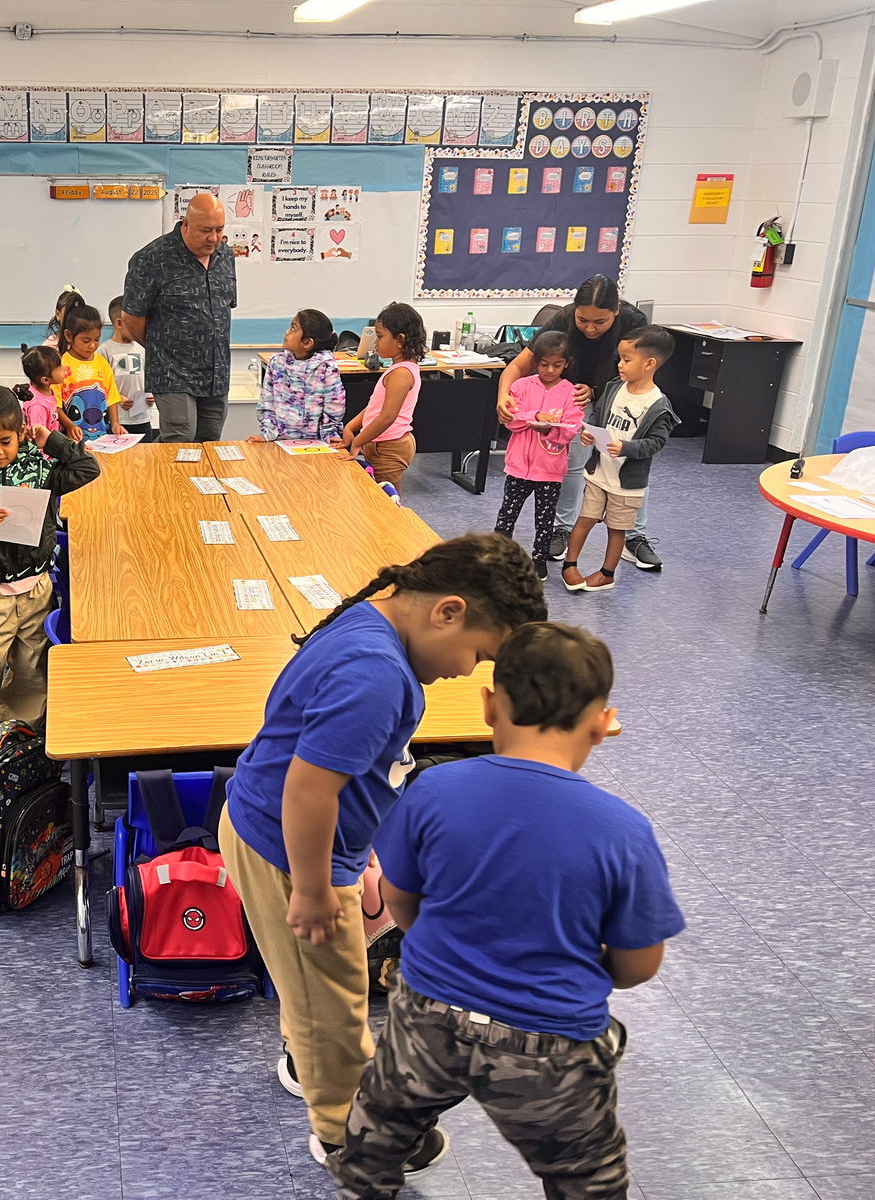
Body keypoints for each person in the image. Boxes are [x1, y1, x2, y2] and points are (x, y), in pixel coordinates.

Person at [217, 535, 548, 1165]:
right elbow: (310, 789)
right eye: (479, 654)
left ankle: (303, 1059)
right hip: (292, 854)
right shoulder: (376, 675)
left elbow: (341, 770)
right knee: (338, 1007)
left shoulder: (370, 628)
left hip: (288, 838)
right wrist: (315, 890)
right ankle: (348, 1134)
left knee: (313, 983)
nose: (466, 671)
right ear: (447, 611)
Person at [328, 622, 684, 1200]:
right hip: (551, 1046)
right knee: (586, 1181)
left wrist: (438, 941)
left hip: (427, 1017)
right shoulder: (623, 832)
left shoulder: (432, 790)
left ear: (489, 705)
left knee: (376, 1138)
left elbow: (398, 897)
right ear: (601, 725)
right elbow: (639, 965)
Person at [0, 388, 100, 755]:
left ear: (21, 432)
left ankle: (20, 724)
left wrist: (52, 440)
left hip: (37, 586)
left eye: (5, 441)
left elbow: (87, 468)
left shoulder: (41, 468)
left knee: (31, 664)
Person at [497, 275, 662, 570]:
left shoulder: (633, 322)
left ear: (616, 311)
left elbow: (639, 370)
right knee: (571, 460)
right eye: (583, 319)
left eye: (600, 321)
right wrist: (503, 394)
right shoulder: (562, 319)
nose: (590, 328)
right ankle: (562, 527)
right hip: (572, 397)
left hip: (619, 395)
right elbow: (520, 364)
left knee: (629, 461)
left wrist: (598, 390)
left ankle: (634, 536)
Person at [562, 326, 679, 594]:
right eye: (620, 358)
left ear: (649, 364)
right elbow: (597, 415)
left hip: (627, 483)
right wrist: (588, 433)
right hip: (598, 473)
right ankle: (570, 564)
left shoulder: (659, 405)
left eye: (627, 360)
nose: (620, 365)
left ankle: (606, 574)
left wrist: (626, 447)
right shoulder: (614, 388)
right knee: (586, 518)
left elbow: (656, 443)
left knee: (617, 529)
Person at [121, 192, 237, 443]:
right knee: (180, 437)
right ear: (185, 225)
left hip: (216, 372)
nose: (213, 238)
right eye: (206, 230)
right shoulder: (152, 259)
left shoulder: (225, 256)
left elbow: (224, 310)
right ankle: (152, 481)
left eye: (219, 230)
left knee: (210, 441)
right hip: (173, 371)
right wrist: (163, 347)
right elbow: (131, 319)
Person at [494, 330, 584, 581]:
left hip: (550, 469)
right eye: (544, 364)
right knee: (507, 514)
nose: (550, 370)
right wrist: (534, 417)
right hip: (518, 467)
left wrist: (550, 430)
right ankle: (498, 556)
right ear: (536, 362)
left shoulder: (570, 392)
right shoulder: (521, 385)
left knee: (544, 519)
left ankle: (539, 559)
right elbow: (511, 420)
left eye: (557, 365)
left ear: (566, 364)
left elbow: (571, 428)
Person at [332, 303, 425, 490]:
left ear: (400, 339)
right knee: (376, 494)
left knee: (389, 500)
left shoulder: (401, 374)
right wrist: (351, 427)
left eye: (380, 337)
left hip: (389, 447)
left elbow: (387, 416)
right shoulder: (397, 368)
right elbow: (375, 407)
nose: (376, 343)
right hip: (379, 443)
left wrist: (358, 440)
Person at [251, 308, 345, 444]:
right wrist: (267, 433)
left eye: (293, 329)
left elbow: (335, 404)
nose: (287, 332)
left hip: (316, 442)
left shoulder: (326, 367)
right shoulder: (277, 363)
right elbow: (267, 402)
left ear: (307, 343)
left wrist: (329, 434)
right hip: (279, 440)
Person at [57, 303, 124, 442]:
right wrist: (69, 426)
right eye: (86, 340)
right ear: (69, 336)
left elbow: (111, 398)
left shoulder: (102, 363)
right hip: (72, 440)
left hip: (102, 437)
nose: (93, 345)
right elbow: (55, 405)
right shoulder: (61, 365)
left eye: (97, 339)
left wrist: (115, 424)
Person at [103, 297, 156, 442]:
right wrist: (118, 398)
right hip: (118, 421)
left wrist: (152, 395)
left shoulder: (143, 348)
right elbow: (101, 386)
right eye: (135, 323)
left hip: (143, 418)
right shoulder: (104, 351)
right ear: (119, 323)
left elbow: (150, 376)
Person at [15, 344, 74, 436]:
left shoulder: (47, 391)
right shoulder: (37, 406)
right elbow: (38, 438)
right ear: (45, 380)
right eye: (59, 367)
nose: (64, 368)